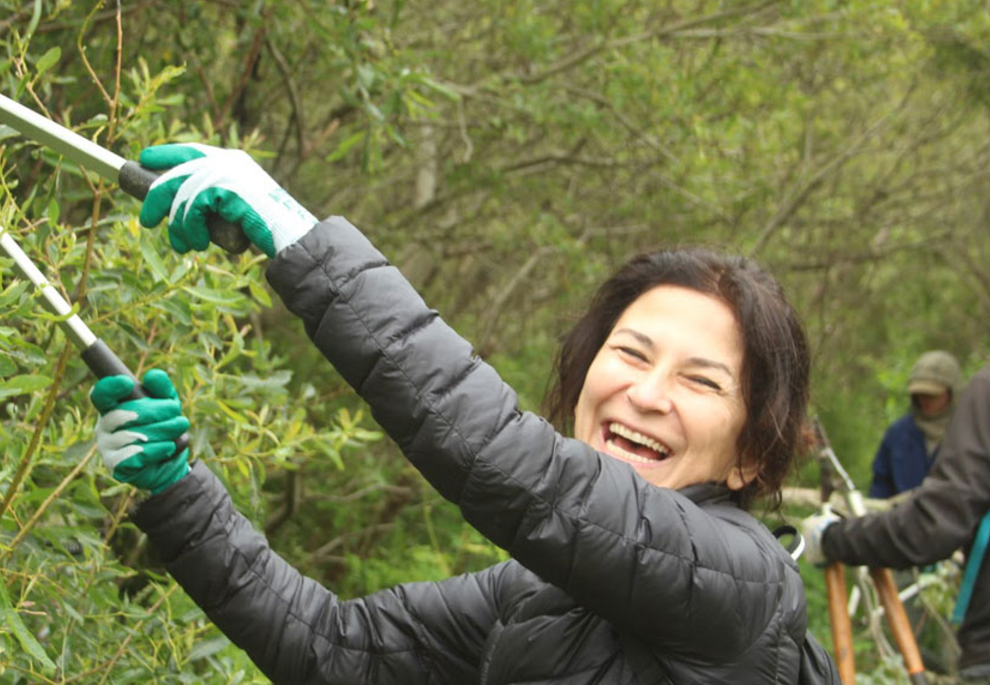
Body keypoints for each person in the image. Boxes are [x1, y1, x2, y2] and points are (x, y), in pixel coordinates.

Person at [89, 143, 838, 683]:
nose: (646, 394)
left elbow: (525, 475)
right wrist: (178, 492)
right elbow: (338, 650)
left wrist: (299, 239)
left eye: (701, 383)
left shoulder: (745, 585)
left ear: (749, 456)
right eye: (632, 354)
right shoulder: (535, 595)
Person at [805, 363, 990, 684]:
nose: (928, 402)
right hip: (901, 541)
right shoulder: (901, 434)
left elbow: (932, 526)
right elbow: (885, 484)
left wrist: (834, 539)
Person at [868, 350, 961, 499]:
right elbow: (880, 487)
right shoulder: (897, 434)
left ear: (951, 393)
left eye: (932, 395)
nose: (924, 400)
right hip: (900, 519)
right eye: (919, 394)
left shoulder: (968, 435)